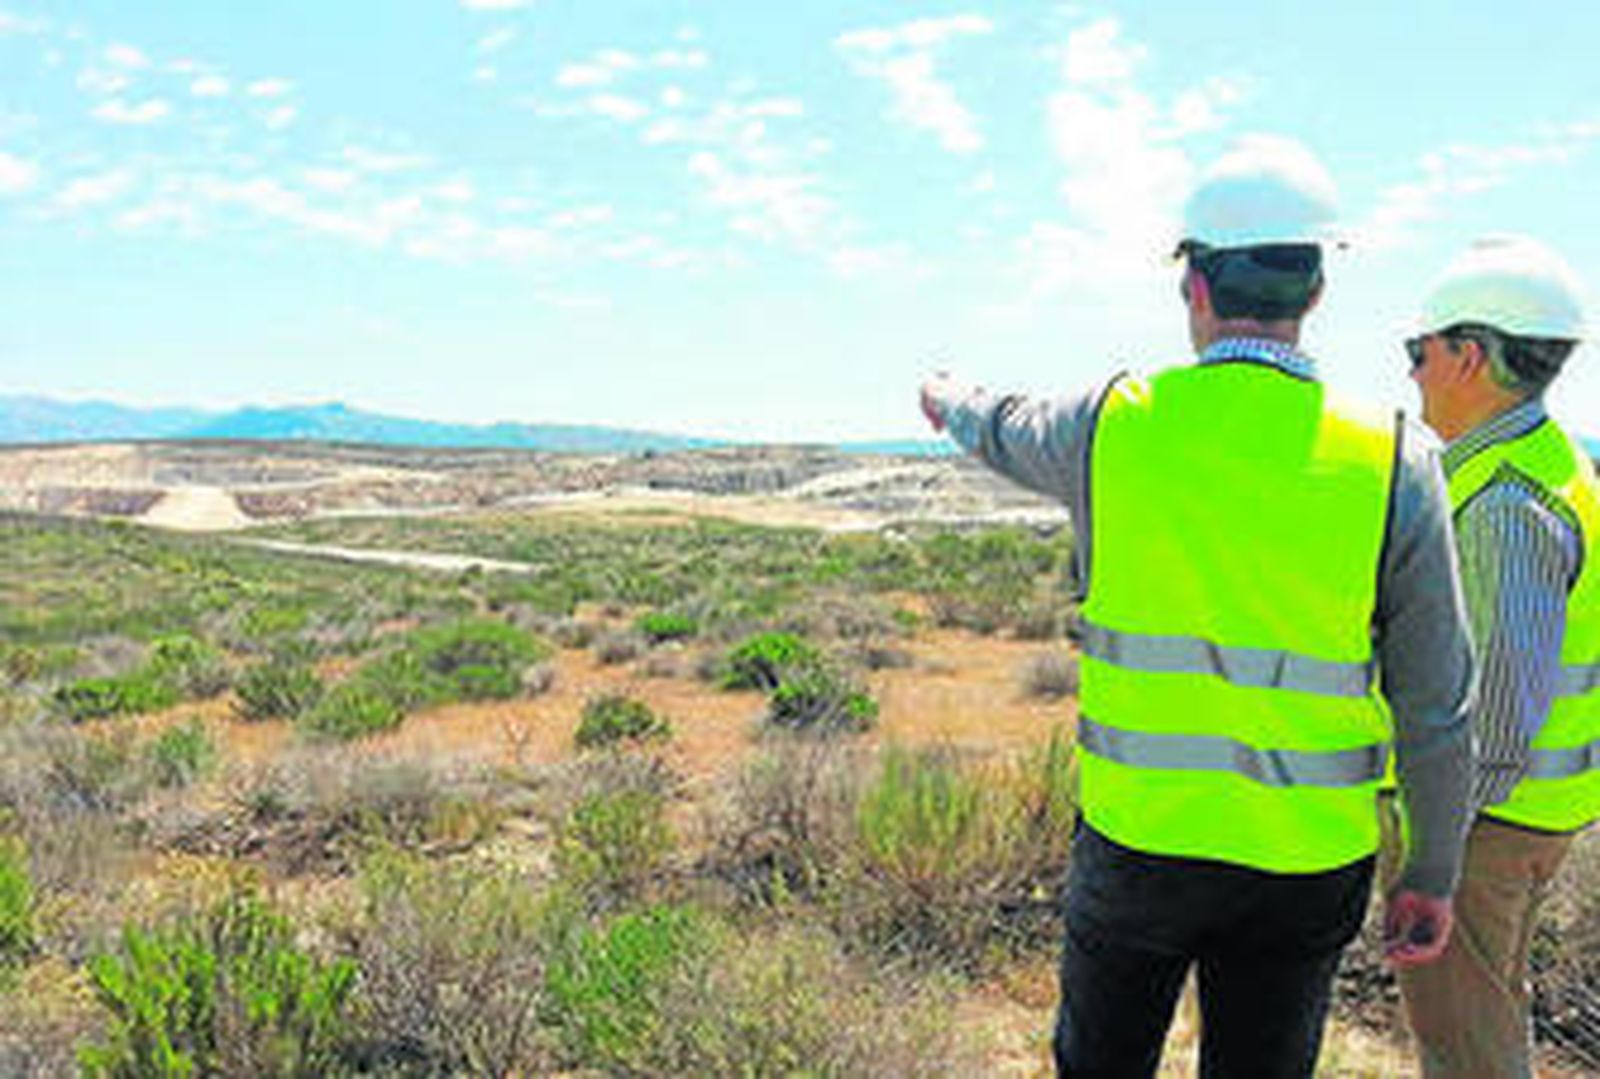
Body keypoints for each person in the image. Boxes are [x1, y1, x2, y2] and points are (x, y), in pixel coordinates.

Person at [918, 139, 1477, 1077]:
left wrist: (947, 397)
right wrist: (1433, 871)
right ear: (1316, 290)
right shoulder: (1392, 455)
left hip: (1139, 839)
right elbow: (1437, 702)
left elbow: (1001, 423)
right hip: (1305, 859)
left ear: (1195, 285)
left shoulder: (1112, 422)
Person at [1392, 235, 1598, 1077]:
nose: (1412, 373)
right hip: (1527, 819)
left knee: (1466, 1049)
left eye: (1419, 351)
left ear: (1469, 356)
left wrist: (1432, 853)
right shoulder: (1551, 463)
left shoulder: (1507, 502)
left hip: (1485, 832)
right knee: (1487, 1025)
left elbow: (1500, 719)